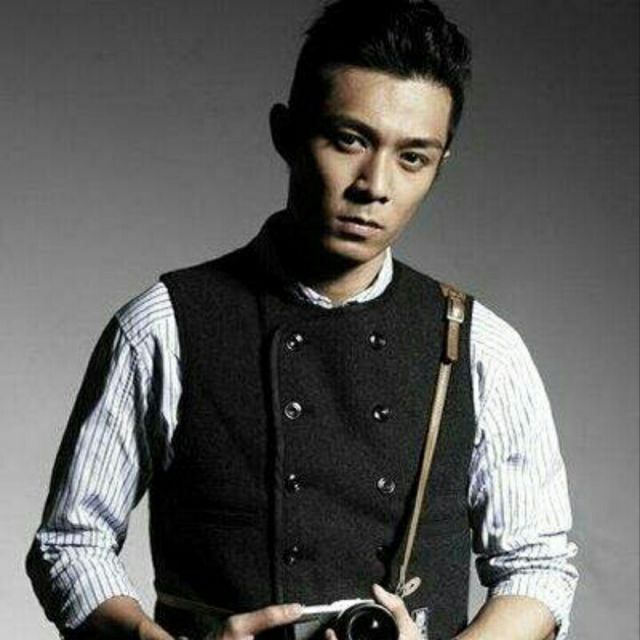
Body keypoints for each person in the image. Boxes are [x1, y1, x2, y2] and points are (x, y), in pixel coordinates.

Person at [26, 1, 578, 639]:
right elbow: (72, 544)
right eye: (349, 140)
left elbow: (539, 567)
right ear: (286, 133)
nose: (374, 185)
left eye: (412, 157)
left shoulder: (483, 347)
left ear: (439, 164)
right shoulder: (163, 326)